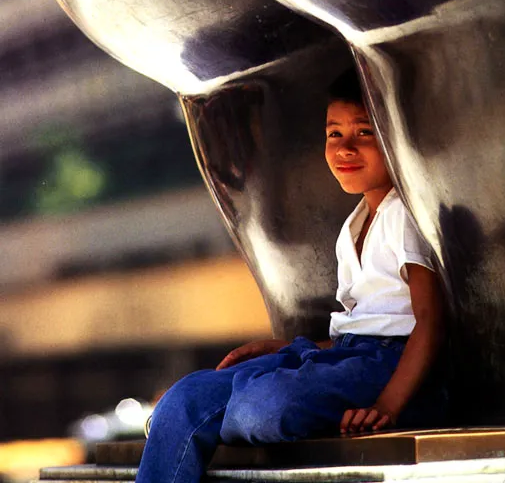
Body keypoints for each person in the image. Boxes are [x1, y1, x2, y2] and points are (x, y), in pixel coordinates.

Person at [136, 69, 446, 483]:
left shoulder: (404, 214)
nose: (345, 148)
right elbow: (361, 326)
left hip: (389, 366)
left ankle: (222, 414)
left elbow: (427, 320)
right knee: (180, 402)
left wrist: (388, 405)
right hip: (343, 355)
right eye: (334, 135)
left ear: (394, 138)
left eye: (364, 133)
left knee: (258, 408)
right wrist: (285, 349)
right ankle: (206, 415)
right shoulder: (354, 224)